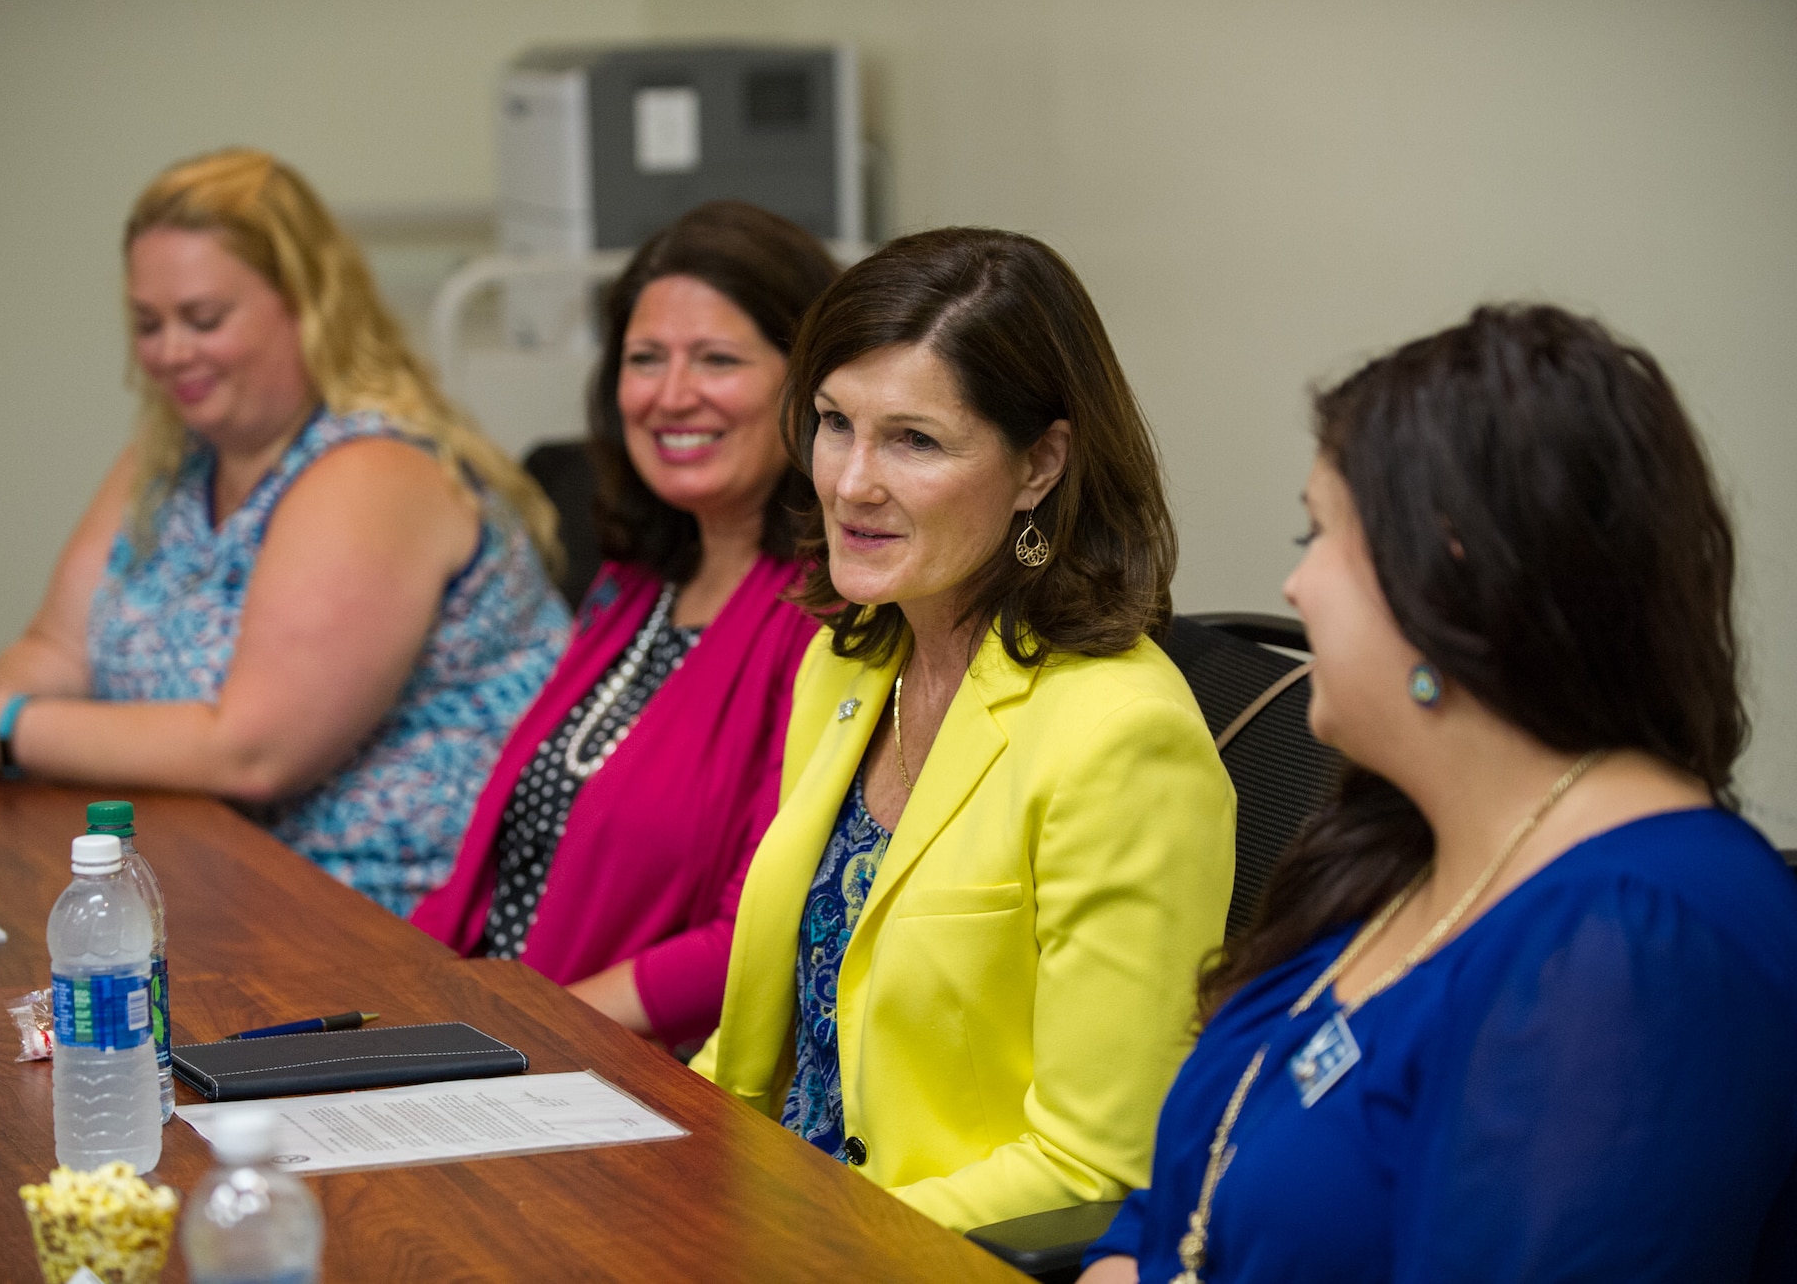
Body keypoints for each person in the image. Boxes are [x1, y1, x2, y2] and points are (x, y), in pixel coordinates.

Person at [1081, 305, 1797, 1284]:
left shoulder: (1638, 938)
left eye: (1317, 531)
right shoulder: (1404, 844)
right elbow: (1180, 1200)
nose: (1292, 586)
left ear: (1446, 569)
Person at [690, 227, 1237, 1231]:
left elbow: (1091, 1163)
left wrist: (807, 1247)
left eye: (913, 440)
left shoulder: (1121, 737)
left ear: (1039, 464)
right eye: (832, 423)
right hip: (764, 1219)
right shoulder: (846, 662)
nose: (851, 482)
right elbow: (756, 1055)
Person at [0, 149, 569, 916]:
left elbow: (252, 751)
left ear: (307, 304)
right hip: (209, 877)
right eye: (148, 323)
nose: (171, 351)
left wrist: (3, 723)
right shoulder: (171, 457)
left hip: (380, 917)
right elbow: (61, 649)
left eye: (204, 319)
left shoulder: (374, 470)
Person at [410, 202, 838, 1046]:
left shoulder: (826, 613)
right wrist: (402, 1003)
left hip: (618, 1073)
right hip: (495, 1030)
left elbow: (752, 931)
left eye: (717, 358)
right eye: (645, 359)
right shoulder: (634, 581)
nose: (671, 395)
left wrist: (508, 1028)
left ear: (811, 383)